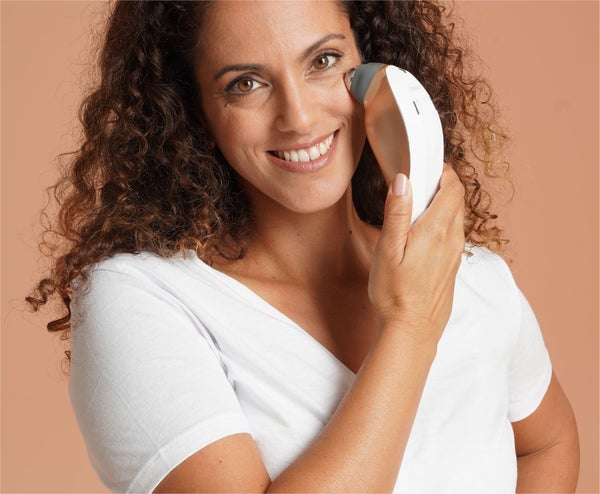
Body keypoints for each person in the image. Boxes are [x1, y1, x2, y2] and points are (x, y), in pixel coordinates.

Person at [27, 1, 580, 492]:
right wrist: (411, 326)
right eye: (246, 83)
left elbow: (548, 444)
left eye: (323, 60)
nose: (299, 118)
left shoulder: (469, 276)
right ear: (192, 109)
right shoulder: (145, 299)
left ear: (375, 68)